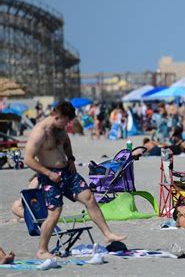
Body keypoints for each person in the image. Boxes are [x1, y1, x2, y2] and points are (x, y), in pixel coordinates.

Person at [24, 101, 126, 259]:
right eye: (66, 120)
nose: (68, 124)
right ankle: (42, 250)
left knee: (89, 198)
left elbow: (66, 142)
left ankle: (108, 234)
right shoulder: (40, 132)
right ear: (58, 116)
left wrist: (71, 159)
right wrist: (48, 174)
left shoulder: (60, 128)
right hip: (50, 176)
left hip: (67, 172)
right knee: (54, 213)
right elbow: (28, 159)